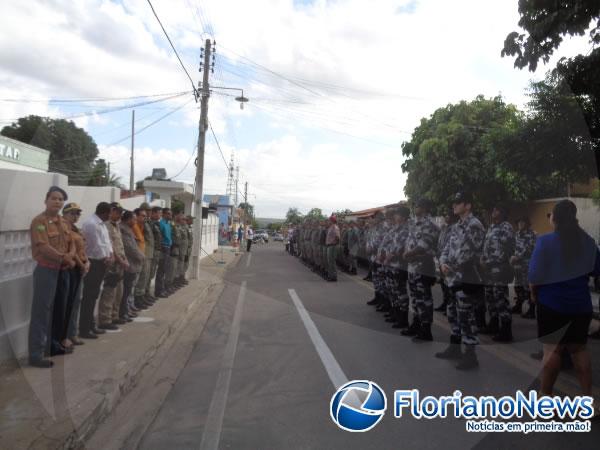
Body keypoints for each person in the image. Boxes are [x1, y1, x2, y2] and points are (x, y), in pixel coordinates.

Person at [529, 200, 600, 402]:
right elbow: (597, 269)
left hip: (552, 305)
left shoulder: (545, 241)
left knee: (552, 351)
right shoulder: (588, 242)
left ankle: (545, 397)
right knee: (579, 350)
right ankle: (588, 401)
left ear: (555, 218)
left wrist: (534, 295)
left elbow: (534, 276)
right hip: (580, 305)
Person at [437, 192, 485, 370]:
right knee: (452, 314)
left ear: (468, 205)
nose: (454, 205)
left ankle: (471, 355)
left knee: (466, 316)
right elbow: (446, 248)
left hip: (465, 277)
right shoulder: (457, 226)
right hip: (451, 278)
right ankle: (455, 347)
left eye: (458, 202)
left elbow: (469, 253)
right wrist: (443, 263)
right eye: (454, 202)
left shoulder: (474, 225)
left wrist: (451, 266)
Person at [28, 186, 75, 367]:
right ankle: (36, 354)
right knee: (41, 312)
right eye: (54, 198)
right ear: (46, 200)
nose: (57, 201)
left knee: (59, 310)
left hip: (62, 271)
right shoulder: (39, 221)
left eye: (61, 199)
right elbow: (43, 247)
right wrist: (64, 258)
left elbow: (71, 242)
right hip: (46, 271)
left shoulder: (63, 222)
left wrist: (70, 255)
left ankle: (53, 345)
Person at [402, 198, 439, 341]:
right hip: (412, 266)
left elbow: (423, 245)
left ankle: (426, 329)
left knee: (424, 298)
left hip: (423, 266)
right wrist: (406, 252)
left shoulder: (430, 224)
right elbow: (409, 241)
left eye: (417, 205)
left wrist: (408, 254)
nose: (414, 208)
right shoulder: (414, 223)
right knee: (416, 298)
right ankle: (416, 324)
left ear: (425, 208)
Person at [480, 204, 516, 342]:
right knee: (490, 298)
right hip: (488, 270)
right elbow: (486, 246)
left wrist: (488, 261)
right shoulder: (491, 227)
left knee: (501, 299)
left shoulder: (506, 227)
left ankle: (506, 331)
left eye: (496, 209)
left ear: (502, 213)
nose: (493, 211)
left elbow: (505, 250)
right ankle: (493, 324)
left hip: (499, 269)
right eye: (493, 209)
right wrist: (482, 259)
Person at [79, 202, 113, 339]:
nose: (111, 216)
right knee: (89, 296)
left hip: (102, 262)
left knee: (94, 295)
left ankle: (91, 324)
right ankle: (84, 329)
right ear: (104, 212)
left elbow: (107, 242)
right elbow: (96, 244)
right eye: (110, 213)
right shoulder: (91, 224)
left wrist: (109, 255)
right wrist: (105, 257)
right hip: (94, 262)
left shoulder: (101, 224)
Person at [62, 203, 90, 349]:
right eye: (72, 213)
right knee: (68, 303)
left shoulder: (76, 230)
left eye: (78, 213)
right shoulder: (64, 229)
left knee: (76, 302)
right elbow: (70, 250)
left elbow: (81, 249)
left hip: (81, 267)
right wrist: (82, 264)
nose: (76, 216)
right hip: (72, 268)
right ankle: (65, 335)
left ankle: (72, 332)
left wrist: (87, 262)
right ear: (65, 214)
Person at [97, 203, 128, 330]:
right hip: (113, 263)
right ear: (112, 211)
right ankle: (105, 319)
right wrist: (120, 260)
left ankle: (114, 315)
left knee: (118, 291)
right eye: (118, 212)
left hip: (120, 263)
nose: (120, 215)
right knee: (109, 292)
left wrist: (124, 259)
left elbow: (120, 244)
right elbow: (111, 247)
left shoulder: (117, 226)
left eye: (121, 212)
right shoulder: (107, 225)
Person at [120, 210, 146, 320]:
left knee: (129, 289)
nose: (135, 221)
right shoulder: (123, 230)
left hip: (133, 263)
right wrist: (141, 257)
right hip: (129, 264)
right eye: (134, 219)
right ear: (129, 219)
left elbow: (135, 245)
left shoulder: (128, 229)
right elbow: (130, 248)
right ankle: (123, 312)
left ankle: (127, 310)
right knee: (126, 291)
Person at [510, 216, 536, 319]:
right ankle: (518, 305)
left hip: (527, 265)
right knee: (518, 286)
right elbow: (513, 247)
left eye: (522, 222)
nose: (520, 224)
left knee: (528, 288)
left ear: (527, 223)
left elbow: (529, 248)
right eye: (519, 222)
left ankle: (532, 310)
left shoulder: (531, 234)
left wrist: (517, 257)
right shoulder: (516, 234)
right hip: (517, 266)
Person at [436, 209, 458, 313]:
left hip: (449, 261)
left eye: (448, 215)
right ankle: (445, 303)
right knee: (443, 284)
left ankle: (450, 305)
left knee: (449, 285)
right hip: (442, 259)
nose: (446, 217)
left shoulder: (455, 228)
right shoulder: (444, 228)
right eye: (445, 215)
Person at [134, 206, 153, 308]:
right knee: (138, 279)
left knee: (144, 277)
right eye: (143, 216)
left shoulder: (143, 226)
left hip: (145, 254)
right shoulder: (134, 226)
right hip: (137, 256)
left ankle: (141, 297)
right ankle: (137, 300)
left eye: (146, 216)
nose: (145, 218)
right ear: (136, 216)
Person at [155, 208, 173, 297]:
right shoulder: (161, 224)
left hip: (168, 248)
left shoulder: (168, 224)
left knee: (165, 270)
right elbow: (160, 237)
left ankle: (163, 289)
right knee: (161, 270)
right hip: (163, 248)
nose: (170, 216)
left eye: (171, 214)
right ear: (164, 214)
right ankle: (158, 291)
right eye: (169, 214)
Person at [148, 207, 163, 298]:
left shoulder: (157, 224)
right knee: (149, 274)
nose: (160, 215)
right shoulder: (150, 224)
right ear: (153, 213)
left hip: (157, 251)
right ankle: (145, 294)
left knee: (152, 273)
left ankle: (147, 293)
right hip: (151, 251)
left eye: (161, 213)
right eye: (159, 213)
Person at [325, 215, 341, 281]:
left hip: (333, 246)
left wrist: (335, 243)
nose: (328, 221)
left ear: (332, 221)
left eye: (329, 220)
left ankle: (333, 276)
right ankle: (331, 275)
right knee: (330, 262)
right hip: (330, 246)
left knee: (332, 262)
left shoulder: (335, 227)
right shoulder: (331, 227)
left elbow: (338, 237)